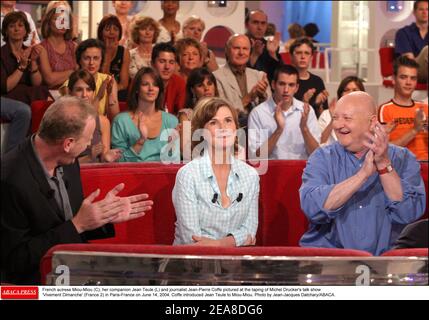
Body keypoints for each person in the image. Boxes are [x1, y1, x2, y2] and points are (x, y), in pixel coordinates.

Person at [1, 96, 153, 284]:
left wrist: (103, 217)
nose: (89, 145)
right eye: (87, 140)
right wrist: (77, 225)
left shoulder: (69, 162)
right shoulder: (10, 178)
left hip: (75, 267)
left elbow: (71, 222)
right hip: (35, 281)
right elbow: (14, 261)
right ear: (68, 144)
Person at [299, 91, 426, 255]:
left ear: (372, 122)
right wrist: (362, 175)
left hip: (386, 261)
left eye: (347, 118)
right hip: (330, 259)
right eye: (336, 118)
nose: (338, 125)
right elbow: (313, 208)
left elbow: (409, 212)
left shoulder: (403, 158)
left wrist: (383, 164)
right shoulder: (322, 157)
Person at [173, 97, 259, 246]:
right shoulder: (188, 175)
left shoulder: (251, 175)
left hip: (234, 265)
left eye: (228, 120)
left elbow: (250, 231)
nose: (223, 128)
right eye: (213, 122)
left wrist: (219, 244)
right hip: (192, 265)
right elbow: (191, 239)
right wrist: (235, 241)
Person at [248, 64, 320, 160]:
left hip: (301, 172)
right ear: (273, 85)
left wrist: (304, 129)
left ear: (297, 87)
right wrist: (278, 130)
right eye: (282, 84)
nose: (286, 90)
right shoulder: (258, 113)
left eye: (291, 85)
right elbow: (255, 158)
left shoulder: (307, 111)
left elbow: (317, 156)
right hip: (271, 172)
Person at [111, 67, 179, 162]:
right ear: (137, 89)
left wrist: (172, 147)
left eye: (155, 85)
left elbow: (175, 163)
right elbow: (118, 161)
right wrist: (141, 141)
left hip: (163, 175)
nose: (151, 88)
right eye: (145, 84)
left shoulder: (172, 121)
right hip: (130, 175)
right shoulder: (121, 121)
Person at [213, 34, 271, 128]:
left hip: (258, 131)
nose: (241, 52)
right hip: (229, 132)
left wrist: (262, 97)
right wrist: (249, 97)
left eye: (245, 49)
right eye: (236, 48)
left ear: (250, 51)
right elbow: (221, 113)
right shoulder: (216, 77)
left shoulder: (259, 76)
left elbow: (270, 111)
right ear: (227, 51)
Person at [378, 56, 428, 161]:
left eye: (413, 78)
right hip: (401, 168)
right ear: (393, 79)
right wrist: (414, 130)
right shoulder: (385, 109)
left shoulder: (425, 108)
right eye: (403, 77)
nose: (408, 82)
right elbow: (383, 149)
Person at [68, 69, 122, 163]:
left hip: (96, 173)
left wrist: (107, 157)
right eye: (79, 90)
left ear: (93, 92)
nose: (84, 95)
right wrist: (89, 157)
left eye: (89, 90)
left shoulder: (103, 122)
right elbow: (61, 163)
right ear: (70, 92)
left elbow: (103, 159)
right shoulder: (63, 121)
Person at [60, 38, 120, 120]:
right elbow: (80, 120)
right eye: (86, 58)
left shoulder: (108, 80)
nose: (91, 63)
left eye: (96, 58)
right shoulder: (69, 83)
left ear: (101, 60)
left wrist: (110, 95)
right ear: (79, 60)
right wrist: (98, 97)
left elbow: (115, 119)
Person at [1, 11, 50, 105]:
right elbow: (6, 87)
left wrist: (34, 61)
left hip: (29, 95)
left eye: (20, 26)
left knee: (41, 90)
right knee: (39, 94)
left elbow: (36, 84)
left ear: (26, 31)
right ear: (6, 31)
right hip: (8, 96)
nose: (16, 29)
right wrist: (22, 67)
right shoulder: (2, 54)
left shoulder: (30, 51)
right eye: (12, 26)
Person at [180, 67, 219, 159]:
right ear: (192, 90)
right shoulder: (186, 115)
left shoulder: (223, 112)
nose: (206, 88)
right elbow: (185, 150)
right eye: (200, 85)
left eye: (209, 83)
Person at [36, 6, 77, 90]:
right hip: (50, 95)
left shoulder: (74, 47)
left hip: (74, 92)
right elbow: (50, 80)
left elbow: (81, 74)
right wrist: (72, 72)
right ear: (48, 23)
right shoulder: (41, 48)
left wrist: (58, 77)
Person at [319, 76, 365, 145]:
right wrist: (333, 120)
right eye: (346, 90)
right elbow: (320, 142)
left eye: (355, 90)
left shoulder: (366, 114)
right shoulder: (326, 114)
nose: (350, 93)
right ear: (340, 94)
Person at [290, 37, 329, 117]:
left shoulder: (317, 81)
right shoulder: (286, 80)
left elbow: (323, 117)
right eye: (299, 53)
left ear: (311, 57)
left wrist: (318, 104)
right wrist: (304, 101)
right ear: (291, 57)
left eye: (307, 53)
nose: (303, 56)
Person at [97, 14, 130, 101]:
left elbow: (123, 84)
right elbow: (102, 79)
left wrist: (111, 91)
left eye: (115, 29)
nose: (112, 32)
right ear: (101, 33)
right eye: (107, 29)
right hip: (96, 90)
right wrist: (107, 52)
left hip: (117, 92)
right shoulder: (94, 49)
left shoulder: (124, 52)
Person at [394, 0, 428, 83]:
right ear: (414, 12)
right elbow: (410, 61)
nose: (425, 12)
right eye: (421, 9)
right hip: (413, 71)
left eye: (427, 9)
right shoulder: (404, 33)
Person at [245, 10, 282, 83]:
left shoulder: (270, 45)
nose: (260, 27)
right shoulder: (238, 44)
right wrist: (254, 55)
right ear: (246, 24)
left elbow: (280, 75)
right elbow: (239, 74)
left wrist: (273, 54)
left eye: (263, 23)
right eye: (255, 22)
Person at [151, 42, 185, 114]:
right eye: (162, 61)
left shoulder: (179, 83)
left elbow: (183, 112)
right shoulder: (141, 81)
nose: (167, 67)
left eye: (171, 62)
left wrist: (185, 124)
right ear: (152, 63)